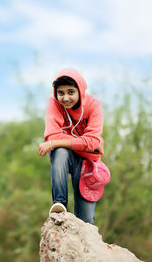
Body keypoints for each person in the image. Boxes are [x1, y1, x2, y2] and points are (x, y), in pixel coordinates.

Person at [37, 67, 104, 224]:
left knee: (86, 221)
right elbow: (52, 135)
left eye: (71, 92)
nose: (66, 98)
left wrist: (53, 143)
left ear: (80, 91)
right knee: (60, 151)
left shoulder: (94, 105)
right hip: (68, 158)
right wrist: (84, 142)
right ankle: (59, 204)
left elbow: (92, 141)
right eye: (61, 93)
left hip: (88, 163)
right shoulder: (53, 104)